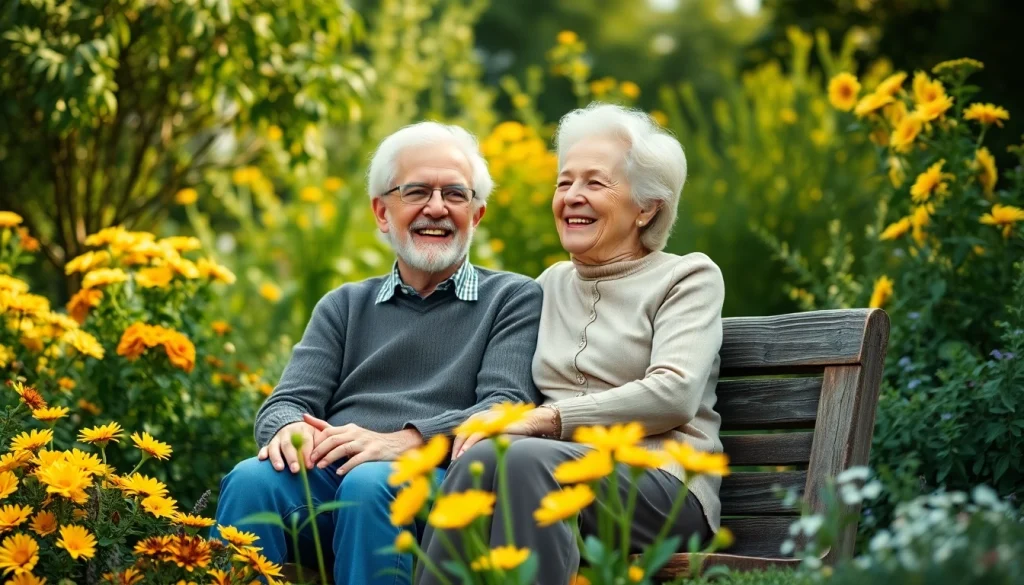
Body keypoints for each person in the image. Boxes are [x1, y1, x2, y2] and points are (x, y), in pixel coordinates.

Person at [213, 121, 543, 585]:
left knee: (373, 483)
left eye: (455, 194)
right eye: (416, 192)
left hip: (442, 491)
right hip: (334, 481)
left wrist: (405, 441)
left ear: (477, 215)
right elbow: (284, 404)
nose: (436, 208)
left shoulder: (512, 298)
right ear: (382, 213)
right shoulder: (345, 305)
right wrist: (290, 430)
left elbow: (505, 406)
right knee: (251, 479)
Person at [418, 103, 726, 585]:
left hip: (662, 487)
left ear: (647, 207)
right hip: (545, 475)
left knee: (521, 456)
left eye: (595, 183)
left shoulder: (687, 277)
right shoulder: (546, 284)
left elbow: (675, 393)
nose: (572, 197)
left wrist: (547, 419)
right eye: (564, 183)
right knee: (479, 459)